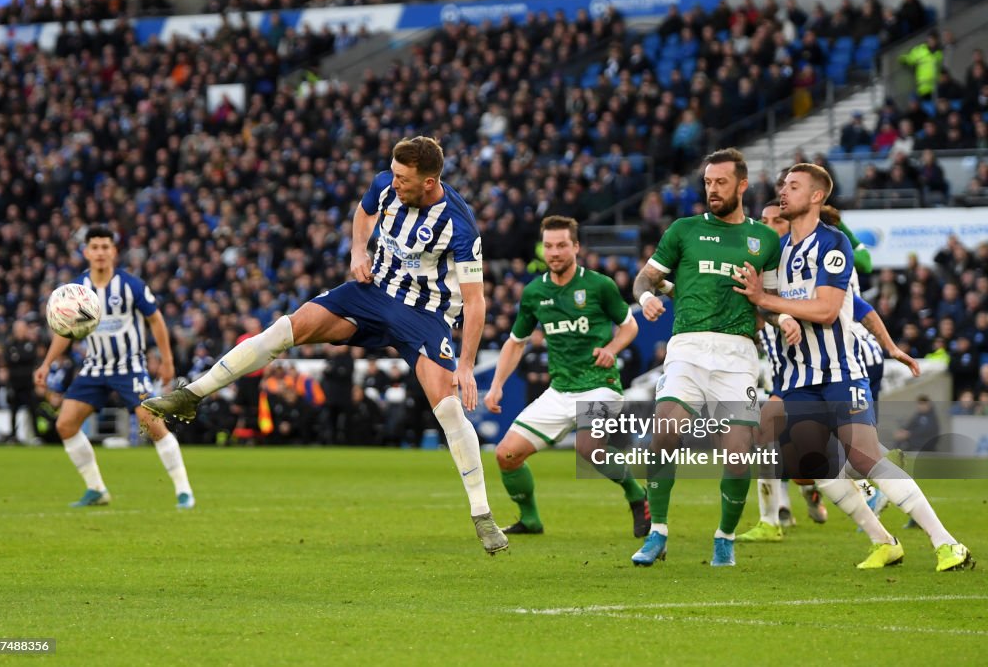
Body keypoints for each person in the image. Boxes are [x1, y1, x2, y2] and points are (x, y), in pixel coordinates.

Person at [142, 136, 508, 555]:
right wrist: (357, 250)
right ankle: (192, 395)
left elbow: (476, 301)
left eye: (404, 178)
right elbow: (363, 211)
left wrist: (465, 363)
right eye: (393, 172)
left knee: (446, 407)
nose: (394, 182)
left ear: (429, 183)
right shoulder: (386, 184)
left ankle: (482, 515)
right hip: (373, 292)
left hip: (423, 315)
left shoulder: (460, 225)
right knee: (286, 327)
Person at [732, 163, 972, 571]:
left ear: (816, 197)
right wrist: (765, 309)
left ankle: (947, 543)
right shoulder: (776, 253)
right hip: (796, 379)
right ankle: (884, 542)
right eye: (782, 185)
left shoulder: (834, 244)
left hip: (841, 371)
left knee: (864, 455)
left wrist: (768, 302)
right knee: (810, 463)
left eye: (793, 186)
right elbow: (776, 310)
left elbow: (829, 310)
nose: (782, 192)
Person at [629, 148, 784, 568]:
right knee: (664, 431)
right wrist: (646, 297)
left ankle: (724, 538)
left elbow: (767, 300)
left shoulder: (765, 240)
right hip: (688, 348)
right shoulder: (684, 230)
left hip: (738, 355)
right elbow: (647, 275)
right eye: (708, 183)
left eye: (720, 182)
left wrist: (781, 316)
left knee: (738, 452)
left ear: (742, 185)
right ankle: (658, 532)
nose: (712, 190)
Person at [483, 215, 645, 536]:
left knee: (588, 449)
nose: (554, 252)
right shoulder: (534, 293)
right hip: (560, 390)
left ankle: (636, 494)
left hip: (600, 384)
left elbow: (630, 325)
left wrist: (612, 348)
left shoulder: (600, 286)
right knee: (506, 455)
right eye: (549, 246)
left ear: (576, 247)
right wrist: (496, 385)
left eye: (561, 245)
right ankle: (530, 520)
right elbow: (516, 343)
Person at [33, 226, 194, 509]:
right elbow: (64, 330)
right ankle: (96, 489)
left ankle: (184, 490)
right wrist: (47, 363)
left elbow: (156, 320)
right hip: (94, 367)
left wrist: (167, 361)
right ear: (86, 252)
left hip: (129, 366)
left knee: (152, 423)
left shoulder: (131, 285)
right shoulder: (77, 290)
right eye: (94, 247)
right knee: (65, 424)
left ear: (114, 252)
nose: (100, 252)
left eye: (105, 247)